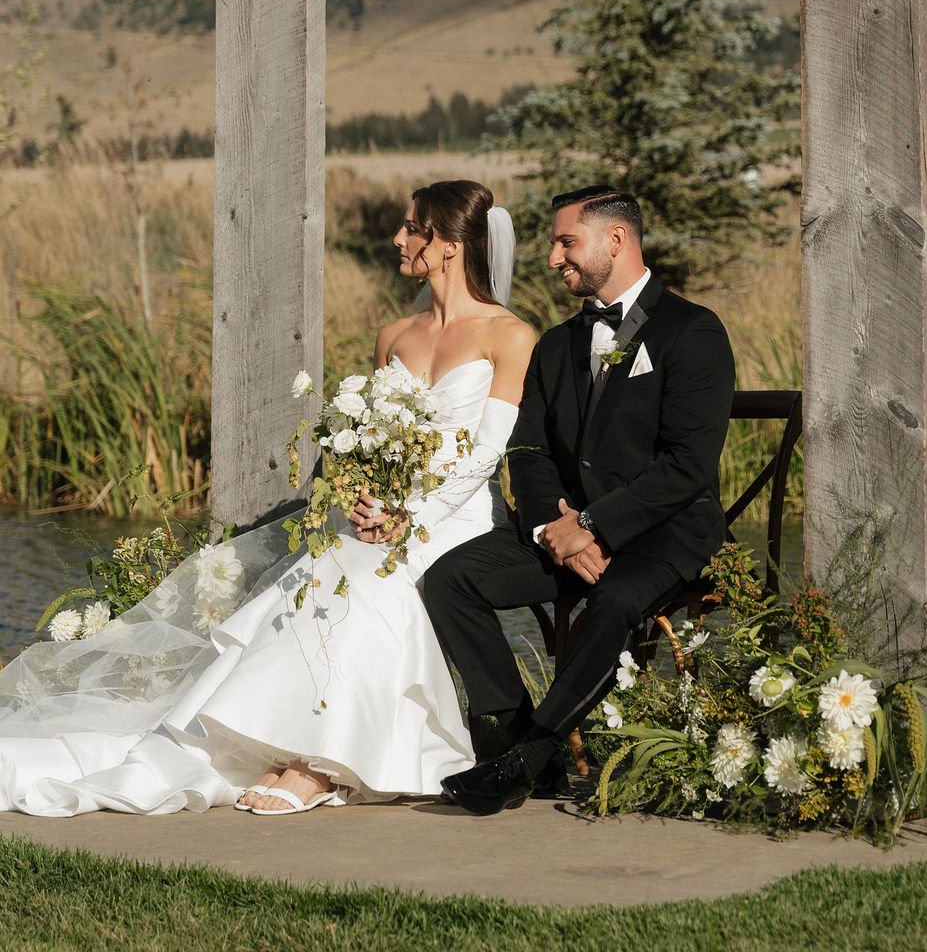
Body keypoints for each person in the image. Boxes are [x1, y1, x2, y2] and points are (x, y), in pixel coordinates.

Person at [0, 179, 534, 817]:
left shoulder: (510, 336)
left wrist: (407, 516)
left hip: (455, 521)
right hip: (374, 517)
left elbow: (482, 458)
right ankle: (277, 746)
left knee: (365, 583)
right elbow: (366, 440)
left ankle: (315, 763)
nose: (398, 238)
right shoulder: (395, 333)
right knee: (322, 571)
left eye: (412, 228)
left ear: (448, 245)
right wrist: (365, 494)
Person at [423, 184, 735, 815]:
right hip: (565, 533)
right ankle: (517, 744)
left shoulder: (693, 331)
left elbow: (687, 466)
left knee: (617, 598)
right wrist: (548, 528)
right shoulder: (558, 344)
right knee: (451, 579)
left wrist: (594, 524)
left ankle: (527, 755)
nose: (553, 257)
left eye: (567, 242)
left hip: (665, 532)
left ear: (615, 239)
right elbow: (528, 451)